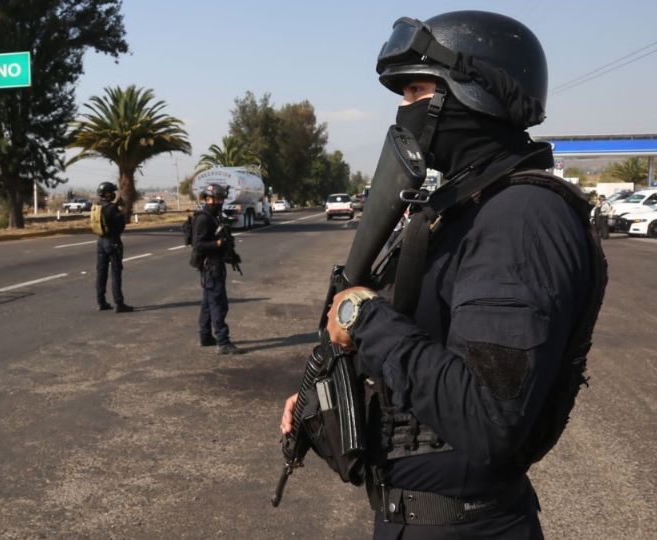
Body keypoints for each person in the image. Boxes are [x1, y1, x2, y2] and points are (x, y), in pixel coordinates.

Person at [281, 10, 606, 539]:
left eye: (415, 90)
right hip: (419, 520)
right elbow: (431, 351)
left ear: (473, 92)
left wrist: (362, 315)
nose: (404, 109)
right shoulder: (467, 209)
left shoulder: (520, 217)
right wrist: (328, 394)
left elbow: (487, 417)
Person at [192, 183, 241, 354]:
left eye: (221, 198)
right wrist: (218, 243)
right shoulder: (203, 219)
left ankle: (205, 337)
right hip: (211, 266)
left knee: (208, 303)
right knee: (219, 304)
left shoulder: (215, 216)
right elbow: (198, 244)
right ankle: (223, 342)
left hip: (216, 264)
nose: (218, 201)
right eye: (215, 198)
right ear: (206, 199)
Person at [94, 181, 132, 313]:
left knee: (101, 273)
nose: (114, 194)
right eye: (112, 192)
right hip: (112, 242)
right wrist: (121, 211)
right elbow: (121, 225)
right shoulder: (112, 208)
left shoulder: (97, 207)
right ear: (107, 194)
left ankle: (101, 302)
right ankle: (119, 303)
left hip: (101, 242)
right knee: (116, 273)